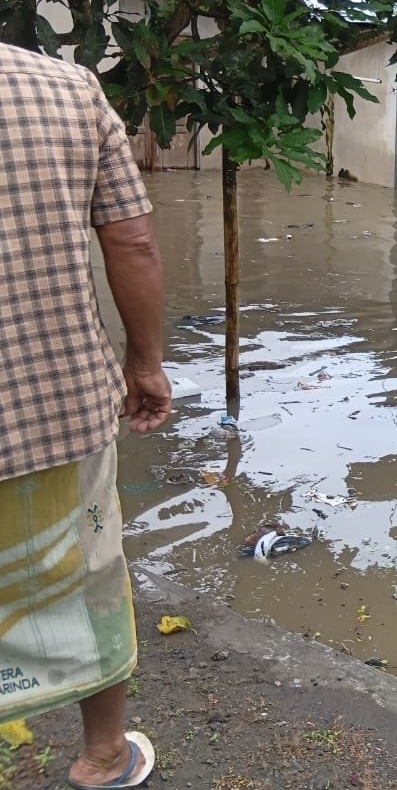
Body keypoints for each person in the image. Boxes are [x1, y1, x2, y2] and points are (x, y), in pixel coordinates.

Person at [0, 42, 170, 788]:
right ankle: (102, 756)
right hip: (54, 399)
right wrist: (146, 363)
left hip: (51, 402)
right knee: (87, 573)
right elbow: (130, 240)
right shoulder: (66, 88)